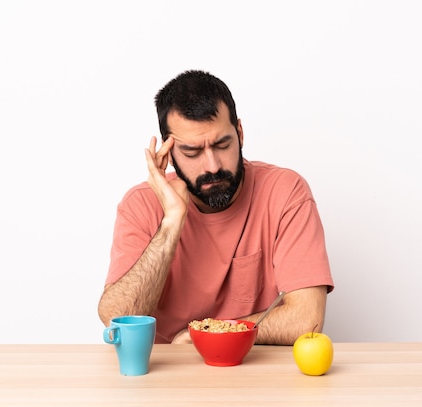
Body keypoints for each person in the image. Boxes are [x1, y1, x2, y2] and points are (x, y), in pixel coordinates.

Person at [98, 70, 334, 345]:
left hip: (256, 373)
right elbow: (119, 319)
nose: (212, 165)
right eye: (192, 152)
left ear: (240, 134)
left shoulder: (286, 192)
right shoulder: (140, 204)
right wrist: (172, 221)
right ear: (168, 152)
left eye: (222, 144)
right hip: (166, 379)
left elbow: (308, 318)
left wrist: (210, 334)